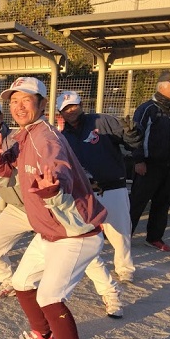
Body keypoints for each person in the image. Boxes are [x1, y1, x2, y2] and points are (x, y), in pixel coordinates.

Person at [0, 95, 125, 318]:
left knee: (82, 252)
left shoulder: (19, 139)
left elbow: (11, 176)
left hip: (43, 206)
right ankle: (9, 281)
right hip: (18, 209)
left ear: (1, 116)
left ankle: (110, 293)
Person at [0, 77, 107, 339]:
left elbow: (57, 170)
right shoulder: (24, 135)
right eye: (14, 101)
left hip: (75, 233)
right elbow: (6, 170)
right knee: (22, 282)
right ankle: (43, 334)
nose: (19, 106)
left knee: (49, 296)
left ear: (41, 104)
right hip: (49, 231)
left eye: (26, 100)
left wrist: (53, 189)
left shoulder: (45, 138)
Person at [58, 90, 142, 283]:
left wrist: (132, 133)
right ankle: (84, 267)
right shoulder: (63, 137)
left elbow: (130, 141)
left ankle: (125, 268)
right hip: (85, 191)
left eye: (74, 106)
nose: (71, 111)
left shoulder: (101, 121)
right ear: (60, 113)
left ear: (81, 105)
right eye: (66, 108)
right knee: (81, 233)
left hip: (113, 186)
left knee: (120, 231)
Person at [129, 70, 170, 252]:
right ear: (162, 86)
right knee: (137, 202)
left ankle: (154, 237)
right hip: (148, 165)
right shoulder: (147, 109)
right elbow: (135, 136)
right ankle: (123, 235)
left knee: (163, 204)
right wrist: (139, 160)